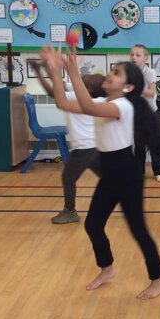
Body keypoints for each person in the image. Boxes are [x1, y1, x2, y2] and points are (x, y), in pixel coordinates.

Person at [41, 47, 160, 299]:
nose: (110, 74)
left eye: (116, 73)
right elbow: (61, 102)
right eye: (112, 71)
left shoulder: (123, 106)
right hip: (109, 172)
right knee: (93, 224)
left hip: (126, 172)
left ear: (128, 87)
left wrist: (72, 72)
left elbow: (86, 106)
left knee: (138, 229)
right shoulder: (103, 103)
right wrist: (56, 71)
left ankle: (158, 280)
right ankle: (107, 269)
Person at [29, 59, 102, 224]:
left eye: (87, 79)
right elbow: (59, 84)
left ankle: (70, 211)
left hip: (83, 149)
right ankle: (128, 200)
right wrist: (46, 69)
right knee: (108, 179)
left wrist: (41, 71)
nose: (84, 77)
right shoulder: (90, 97)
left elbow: (53, 92)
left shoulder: (78, 99)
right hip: (94, 147)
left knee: (68, 178)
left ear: (88, 89)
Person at [129, 43, 160, 181]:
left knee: (154, 144)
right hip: (137, 113)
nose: (134, 57)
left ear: (145, 58)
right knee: (139, 145)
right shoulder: (130, 73)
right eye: (132, 54)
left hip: (150, 114)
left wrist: (135, 89)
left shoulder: (149, 72)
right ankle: (139, 172)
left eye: (138, 55)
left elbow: (151, 92)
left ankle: (158, 172)